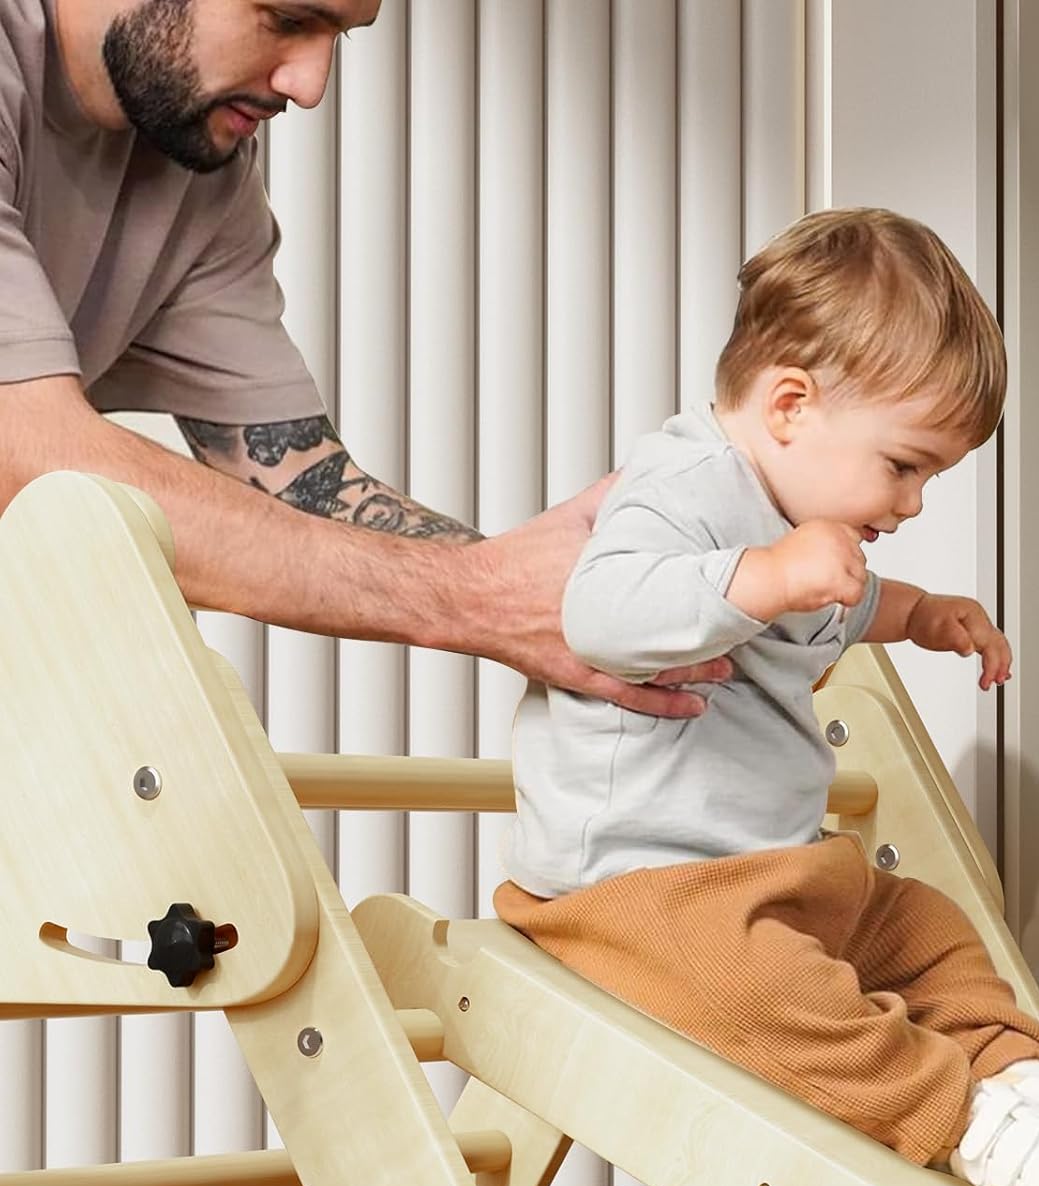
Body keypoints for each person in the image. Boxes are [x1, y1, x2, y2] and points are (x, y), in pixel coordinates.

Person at [495, 207, 1039, 1186]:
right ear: (790, 406)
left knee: (929, 928)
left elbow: (850, 603)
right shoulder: (682, 486)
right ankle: (970, 1124)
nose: (913, 503)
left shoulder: (798, 519)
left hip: (777, 866)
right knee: (766, 995)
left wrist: (924, 615)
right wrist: (765, 576)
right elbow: (598, 614)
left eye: (931, 477)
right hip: (639, 889)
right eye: (905, 466)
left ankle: (1027, 1080)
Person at [0, 0, 721, 715]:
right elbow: (34, 453)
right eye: (288, 20)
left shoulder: (198, 168)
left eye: (338, 36)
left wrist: (592, 598)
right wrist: (478, 595)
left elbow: (298, 481)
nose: (310, 86)